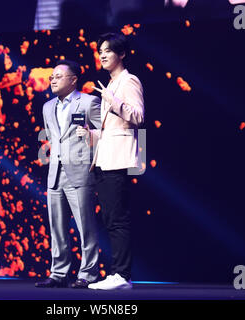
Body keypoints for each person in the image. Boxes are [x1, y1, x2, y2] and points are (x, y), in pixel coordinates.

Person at [77, 33, 144, 290]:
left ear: (122, 54)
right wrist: (91, 135)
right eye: (100, 50)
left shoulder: (129, 81)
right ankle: (117, 273)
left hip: (118, 160)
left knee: (117, 219)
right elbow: (112, 129)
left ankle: (121, 275)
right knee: (109, 218)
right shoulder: (111, 84)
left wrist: (112, 101)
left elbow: (137, 117)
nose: (102, 55)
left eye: (108, 50)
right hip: (104, 160)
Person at [35, 60, 101, 289]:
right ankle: (58, 272)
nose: (52, 79)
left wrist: (91, 135)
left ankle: (88, 273)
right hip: (55, 173)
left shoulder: (89, 102)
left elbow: (106, 132)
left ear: (73, 79)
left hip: (80, 172)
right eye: (51, 76)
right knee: (57, 226)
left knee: (85, 226)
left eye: (58, 76)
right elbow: (51, 137)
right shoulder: (47, 106)